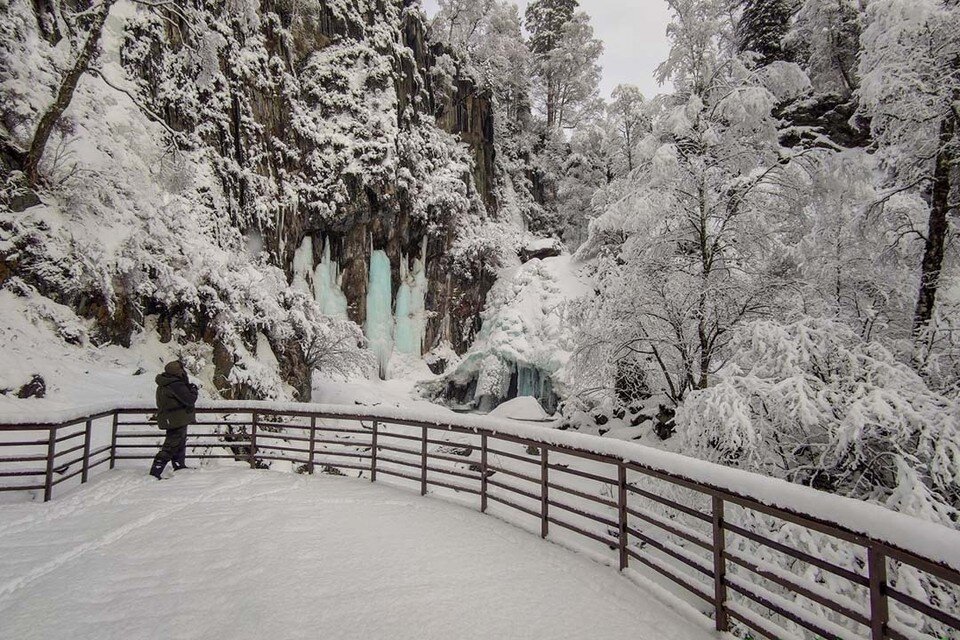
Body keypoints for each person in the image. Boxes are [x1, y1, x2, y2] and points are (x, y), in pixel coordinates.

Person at [150, 360, 199, 479]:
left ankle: (179, 465)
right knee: (171, 445)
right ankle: (155, 472)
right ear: (178, 371)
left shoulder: (165, 383)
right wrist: (193, 389)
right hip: (176, 419)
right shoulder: (176, 384)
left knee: (178, 443)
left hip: (171, 419)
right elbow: (189, 399)